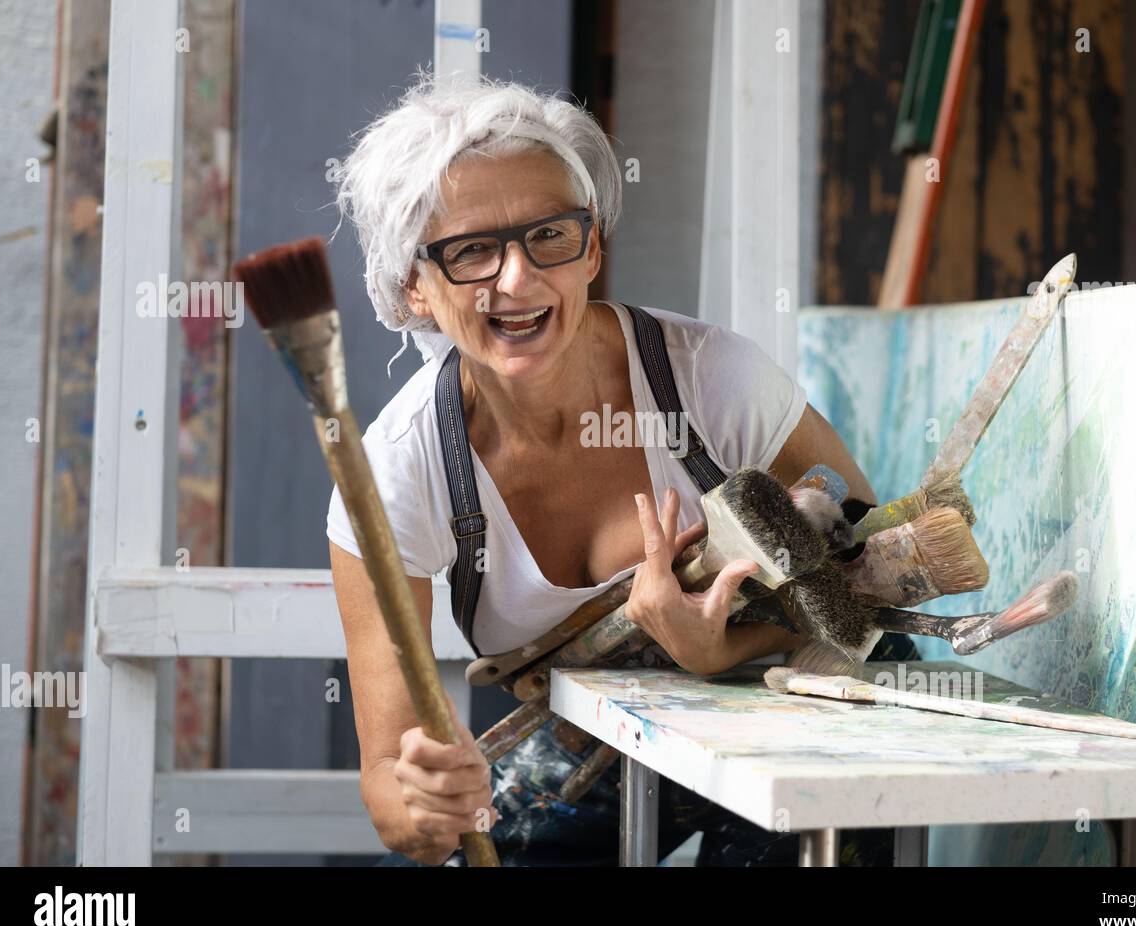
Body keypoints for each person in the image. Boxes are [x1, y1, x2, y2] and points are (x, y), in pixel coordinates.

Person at [326, 73, 913, 867]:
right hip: (593, 740)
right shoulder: (399, 475)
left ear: (592, 244)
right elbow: (389, 792)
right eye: (470, 251)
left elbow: (880, 569)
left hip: (799, 699)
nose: (519, 279)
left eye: (551, 236)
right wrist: (426, 804)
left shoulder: (711, 380)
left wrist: (722, 651)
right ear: (414, 290)